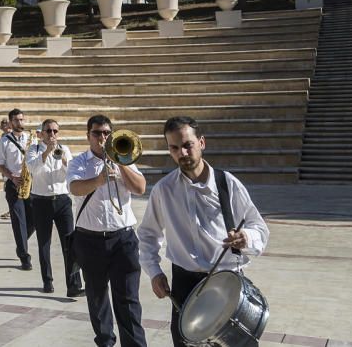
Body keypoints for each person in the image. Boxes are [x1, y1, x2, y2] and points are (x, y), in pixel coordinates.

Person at [138, 116, 270, 347]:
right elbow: (148, 235)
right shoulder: (163, 190)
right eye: (175, 148)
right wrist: (154, 272)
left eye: (188, 145)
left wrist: (245, 237)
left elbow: (258, 227)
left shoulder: (227, 183)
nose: (183, 153)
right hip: (185, 286)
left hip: (227, 282)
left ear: (201, 143)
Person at [68, 114, 148, 347]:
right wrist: (99, 179)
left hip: (123, 239)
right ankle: (105, 342)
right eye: (97, 133)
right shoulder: (79, 162)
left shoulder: (124, 158)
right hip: (89, 240)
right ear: (88, 136)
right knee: (97, 297)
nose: (102, 137)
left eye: (106, 133)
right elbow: (75, 188)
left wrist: (121, 165)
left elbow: (141, 187)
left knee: (128, 300)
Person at [27, 119, 81, 297]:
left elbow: (72, 173)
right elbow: (33, 169)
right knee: (44, 243)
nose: (52, 135)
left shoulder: (64, 150)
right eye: (48, 131)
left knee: (70, 243)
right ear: (41, 133)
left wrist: (63, 159)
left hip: (62, 200)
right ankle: (47, 281)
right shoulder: (33, 150)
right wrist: (47, 152)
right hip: (41, 201)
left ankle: (73, 285)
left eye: (55, 131)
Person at [0, 107, 34, 270]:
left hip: (31, 183)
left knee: (34, 220)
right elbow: (0, 165)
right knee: (19, 221)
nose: (20, 122)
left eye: (22, 119)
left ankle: (21, 243)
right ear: (11, 122)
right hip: (13, 184)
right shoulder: (4, 141)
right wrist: (12, 177)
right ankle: (25, 257)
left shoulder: (31, 139)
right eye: (17, 120)